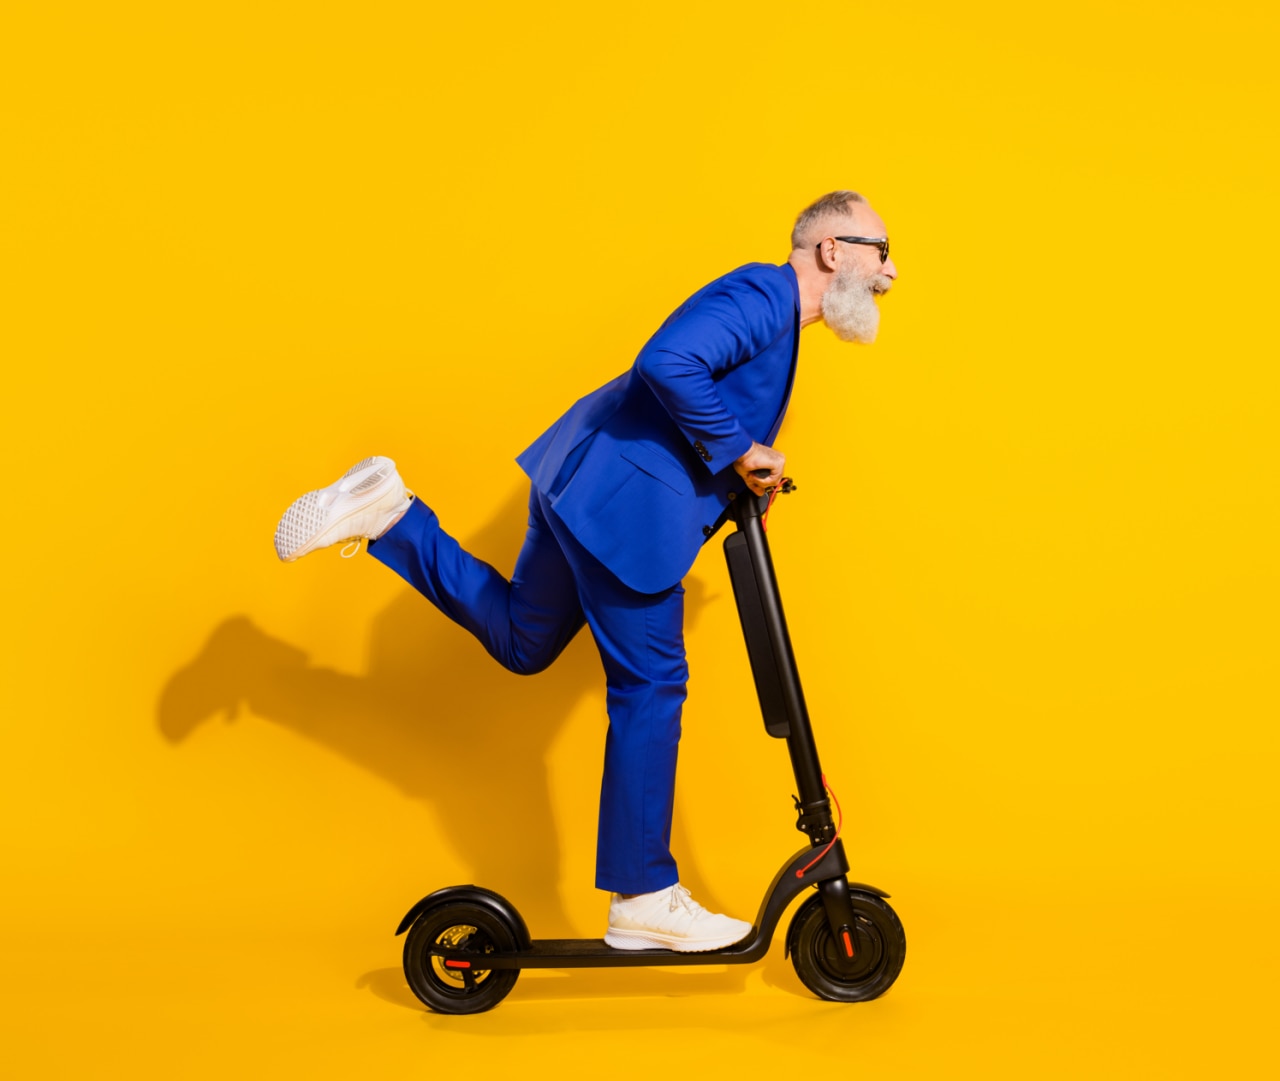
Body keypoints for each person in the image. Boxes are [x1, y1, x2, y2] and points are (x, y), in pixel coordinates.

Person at [274, 190, 897, 951]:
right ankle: (644, 893)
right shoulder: (764, 293)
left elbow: (689, 396)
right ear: (833, 250)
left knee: (522, 641)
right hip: (622, 512)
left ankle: (392, 515)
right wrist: (740, 448)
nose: (889, 275)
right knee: (652, 684)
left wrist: (745, 476)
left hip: (586, 487)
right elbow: (667, 360)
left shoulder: (779, 325)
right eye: (881, 252)